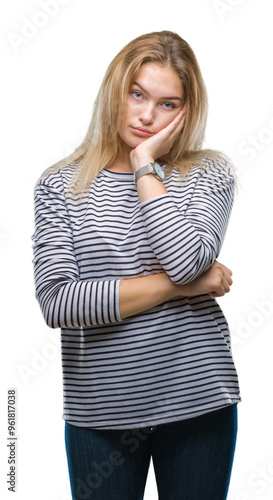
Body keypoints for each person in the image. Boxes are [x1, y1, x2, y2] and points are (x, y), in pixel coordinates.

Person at [32, 30, 241, 500]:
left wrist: (145, 165)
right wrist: (180, 288)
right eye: (138, 94)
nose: (148, 115)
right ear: (117, 91)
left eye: (168, 104)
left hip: (198, 400)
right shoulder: (60, 185)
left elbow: (186, 261)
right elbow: (59, 303)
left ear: (187, 110)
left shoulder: (206, 173)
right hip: (98, 412)